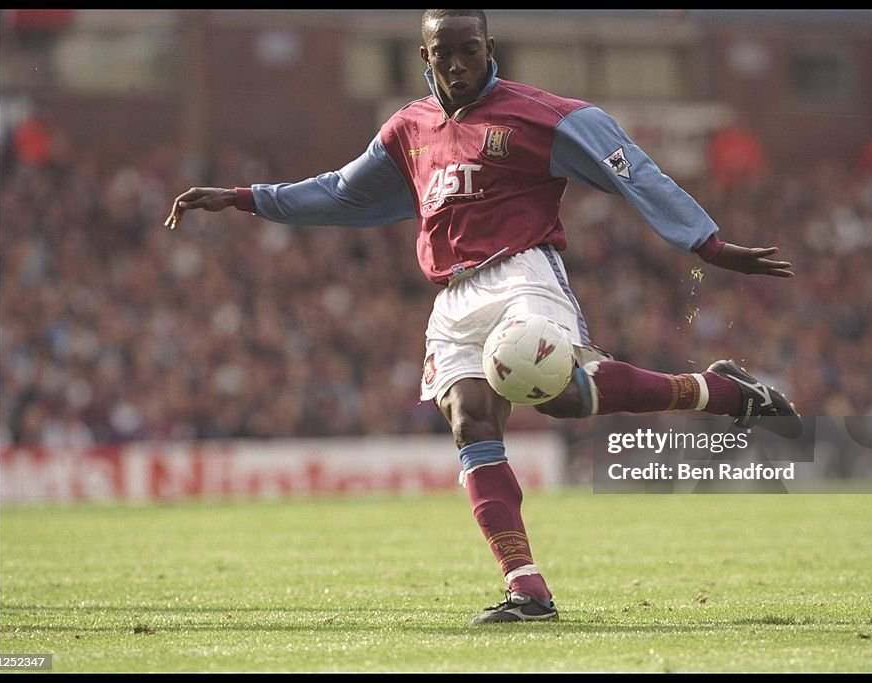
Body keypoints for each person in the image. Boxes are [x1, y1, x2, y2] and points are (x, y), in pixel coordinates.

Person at [165, 9, 802, 625]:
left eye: (471, 48)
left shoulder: (540, 116)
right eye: (446, 51)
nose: (460, 61)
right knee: (472, 421)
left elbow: (631, 168)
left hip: (523, 271)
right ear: (425, 56)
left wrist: (706, 243)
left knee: (555, 399)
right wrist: (244, 198)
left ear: (489, 46)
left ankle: (716, 393)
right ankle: (527, 589)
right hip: (452, 299)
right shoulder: (407, 129)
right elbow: (340, 192)